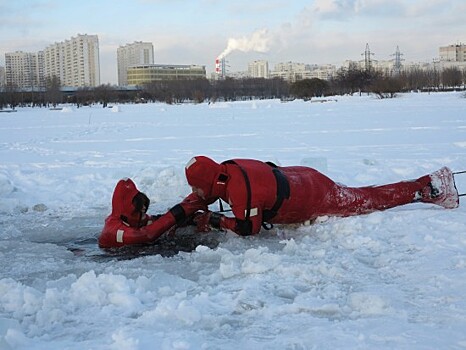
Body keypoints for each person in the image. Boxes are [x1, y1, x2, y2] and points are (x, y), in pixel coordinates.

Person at [185, 156, 460, 236]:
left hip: (313, 196)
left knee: (368, 199)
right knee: (361, 195)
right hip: (301, 176)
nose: (196, 194)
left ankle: (429, 187)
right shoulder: (230, 166)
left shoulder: (240, 192)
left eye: (197, 188)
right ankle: (427, 186)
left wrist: (215, 221)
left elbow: (248, 227)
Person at [98, 178, 206, 248]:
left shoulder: (133, 220)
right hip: (114, 258)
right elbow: (146, 235)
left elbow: (157, 222)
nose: (144, 209)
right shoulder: (113, 230)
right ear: (129, 208)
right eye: (140, 207)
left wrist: (189, 217)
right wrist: (179, 211)